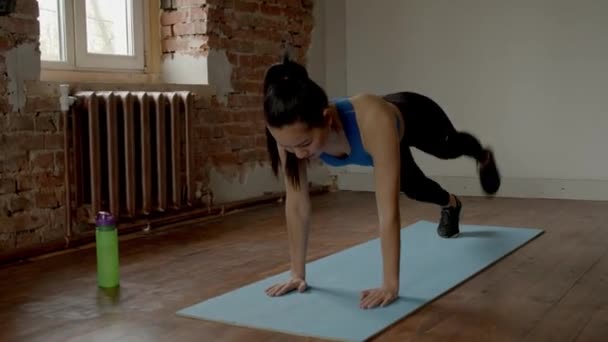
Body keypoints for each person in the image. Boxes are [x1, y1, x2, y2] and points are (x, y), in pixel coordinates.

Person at [261, 54, 500, 310]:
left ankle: (482, 155)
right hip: (387, 136)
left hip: (415, 116)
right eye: (289, 147)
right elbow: (296, 205)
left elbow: (388, 211)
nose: (298, 154)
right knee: (415, 188)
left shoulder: (373, 120)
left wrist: (389, 284)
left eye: (305, 145)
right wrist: (297, 273)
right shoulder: (290, 134)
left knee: (449, 148)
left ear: (327, 119)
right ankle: (451, 204)